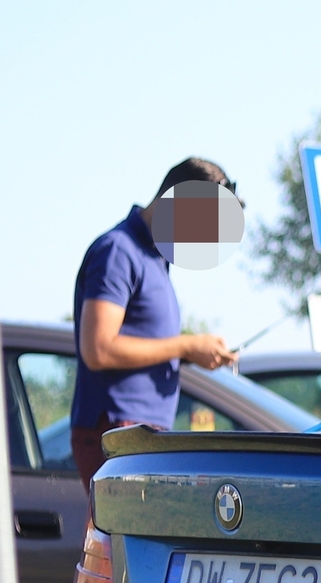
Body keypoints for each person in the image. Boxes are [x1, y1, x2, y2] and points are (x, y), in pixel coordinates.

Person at [68, 158, 240, 490]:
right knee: (117, 542)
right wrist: (186, 345)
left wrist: (192, 354)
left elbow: (138, 341)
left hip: (138, 434)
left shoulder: (153, 258)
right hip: (118, 432)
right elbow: (98, 349)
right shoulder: (119, 251)